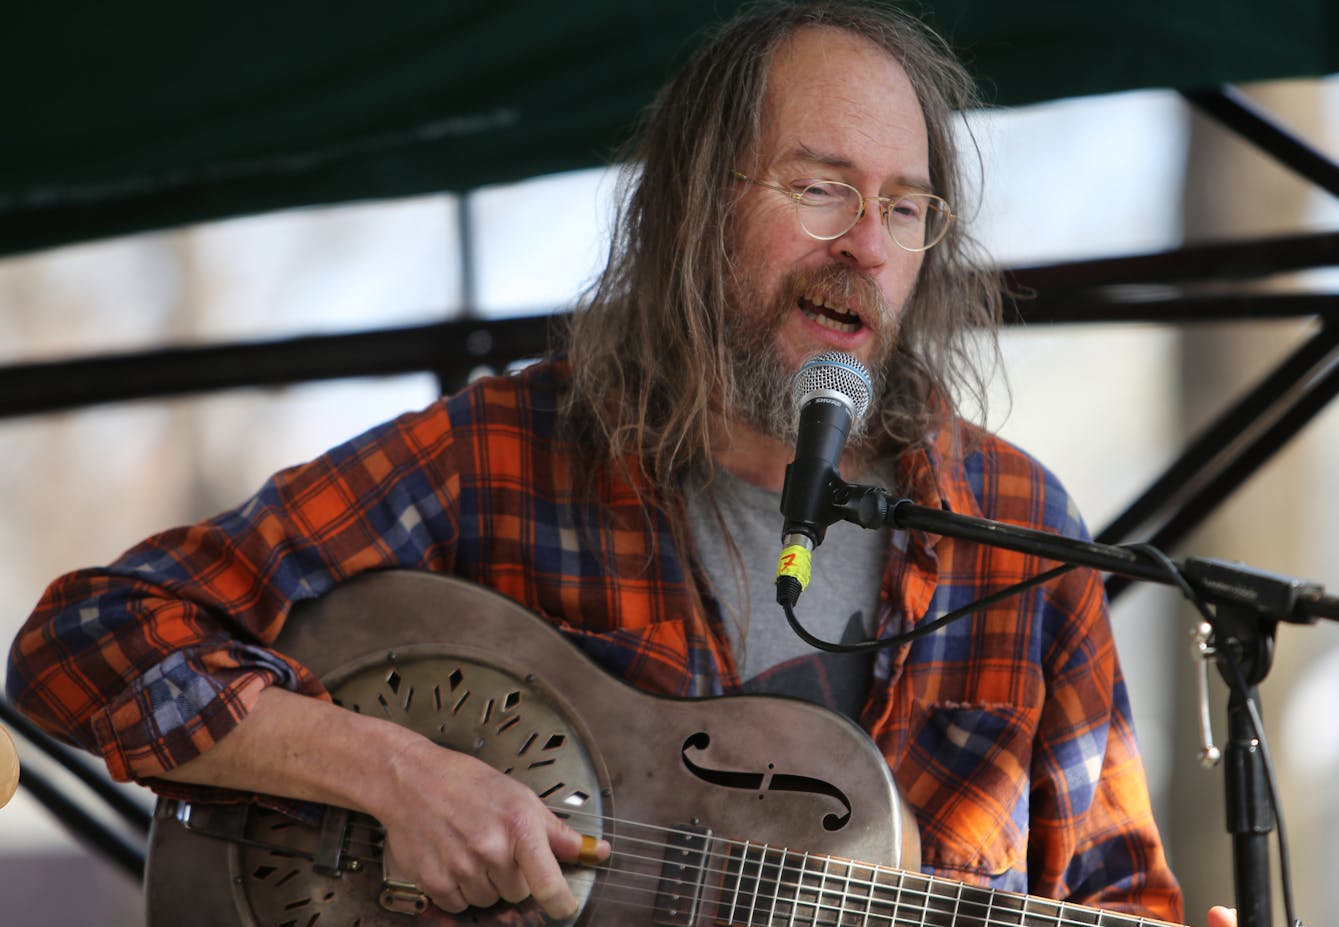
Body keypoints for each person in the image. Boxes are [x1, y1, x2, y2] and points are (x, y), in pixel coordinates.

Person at [9, 3, 1236, 924]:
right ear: (698, 206)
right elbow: (87, 642)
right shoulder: (504, 454)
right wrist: (398, 777)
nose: (866, 245)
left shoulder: (1015, 521)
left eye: (904, 209)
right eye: (819, 187)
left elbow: (1112, 891)